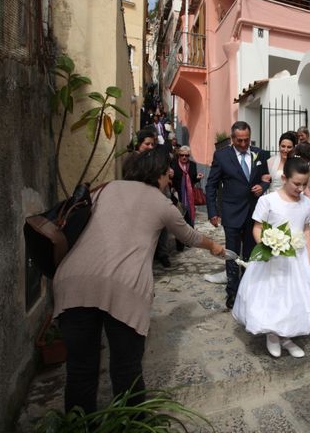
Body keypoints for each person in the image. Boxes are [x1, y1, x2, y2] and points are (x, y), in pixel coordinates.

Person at [53, 148, 224, 414]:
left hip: (72, 281)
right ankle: (129, 421)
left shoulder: (104, 188)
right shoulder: (161, 203)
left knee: (80, 369)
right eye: (167, 171)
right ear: (156, 173)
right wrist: (214, 246)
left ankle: (78, 423)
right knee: (126, 370)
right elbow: (189, 236)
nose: (170, 175)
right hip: (124, 287)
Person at [232, 157, 310, 358]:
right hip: (272, 257)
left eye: (304, 184)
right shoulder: (268, 200)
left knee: (293, 298)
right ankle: (272, 334)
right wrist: (267, 244)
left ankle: (286, 335)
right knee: (273, 296)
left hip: (295, 258)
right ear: (284, 178)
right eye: (296, 184)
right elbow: (257, 227)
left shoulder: (305, 202)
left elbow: (305, 228)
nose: (301, 188)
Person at [205, 121, 270, 309]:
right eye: (239, 140)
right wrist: (212, 211)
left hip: (253, 214)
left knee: (250, 255)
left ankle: (248, 290)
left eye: (246, 140)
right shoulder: (222, 156)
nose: (243, 144)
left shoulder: (260, 154)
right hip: (231, 213)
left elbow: (266, 177)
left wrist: (263, 186)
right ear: (232, 139)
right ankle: (232, 293)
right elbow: (212, 185)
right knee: (232, 255)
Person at [171, 145, 203, 251]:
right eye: (182, 155)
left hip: (189, 198)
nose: (184, 157)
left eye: (186, 155)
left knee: (189, 219)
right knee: (178, 221)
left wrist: (197, 178)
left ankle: (189, 241)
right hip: (178, 197)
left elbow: (193, 179)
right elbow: (170, 180)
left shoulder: (192, 165)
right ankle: (179, 244)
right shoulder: (173, 165)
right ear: (178, 155)